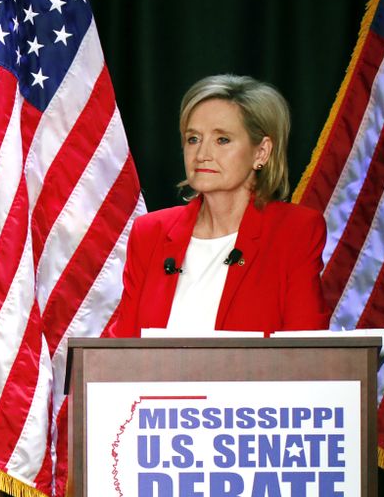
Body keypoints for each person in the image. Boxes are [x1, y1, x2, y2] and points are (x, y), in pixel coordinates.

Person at [105, 74, 330, 337]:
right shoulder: (150, 232)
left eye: (222, 140)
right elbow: (122, 348)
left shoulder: (295, 231)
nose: (201, 155)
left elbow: (306, 352)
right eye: (193, 139)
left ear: (261, 152)